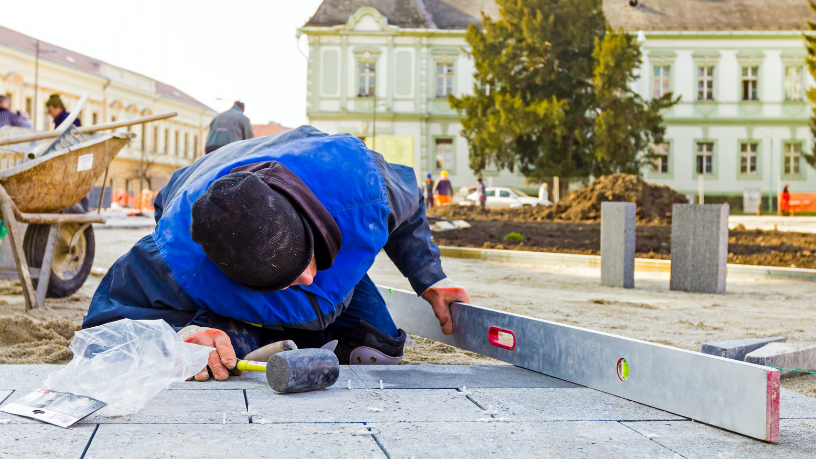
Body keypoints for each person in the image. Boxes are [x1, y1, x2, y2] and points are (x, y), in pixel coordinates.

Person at [82, 126, 470, 381]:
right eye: (285, 280)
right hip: (217, 269)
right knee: (219, 354)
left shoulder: (362, 187)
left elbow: (410, 204)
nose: (306, 281)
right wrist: (179, 337)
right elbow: (100, 333)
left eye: (305, 261)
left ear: (313, 226)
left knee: (380, 350)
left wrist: (430, 276)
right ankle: (233, 322)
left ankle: (289, 321)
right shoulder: (177, 255)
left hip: (327, 217)